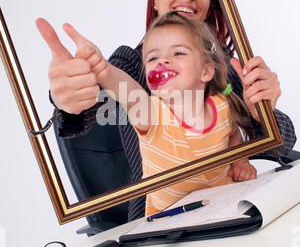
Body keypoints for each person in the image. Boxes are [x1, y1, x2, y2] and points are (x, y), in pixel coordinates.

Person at [36, 0, 296, 220]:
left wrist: (262, 112)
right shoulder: (133, 63)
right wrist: (70, 97)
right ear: (156, 1)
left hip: (227, 204)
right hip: (163, 218)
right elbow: (112, 97)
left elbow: (280, 144)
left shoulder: (227, 70)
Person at [73, 11, 257, 215]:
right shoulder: (153, 114)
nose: (163, 61)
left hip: (226, 207)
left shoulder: (222, 104)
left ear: (206, 71)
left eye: (178, 53)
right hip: (171, 225)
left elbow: (232, 134)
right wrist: (103, 70)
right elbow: (129, 91)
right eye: (153, 57)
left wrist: (241, 161)